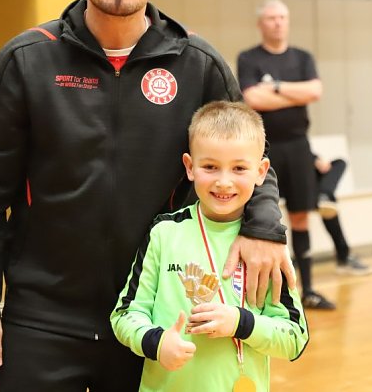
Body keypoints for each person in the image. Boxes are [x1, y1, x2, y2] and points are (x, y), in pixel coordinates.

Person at [0, 0, 294, 391]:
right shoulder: (25, 61)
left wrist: (265, 227)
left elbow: (250, 159)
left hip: (156, 319)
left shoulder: (199, 64)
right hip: (42, 318)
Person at [111, 101, 308, 391]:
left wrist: (242, 323)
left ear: (261, 171)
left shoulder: (264, 248)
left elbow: (294, 339)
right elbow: (125, 314)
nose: (224, 182)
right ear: (190, 167)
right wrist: (157, 342)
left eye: (239, 168)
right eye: (210, 167)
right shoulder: (164, 232)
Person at [237, 0, 336, 310]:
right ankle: (261, 294)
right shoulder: (249, 58)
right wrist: (295, 93)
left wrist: (276, 87)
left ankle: (307, 289)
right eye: (271, 18)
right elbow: (253, 97)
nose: (277, 22)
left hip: (298, 147)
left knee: (301, 216)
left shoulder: (302, 57)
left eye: (282, 17)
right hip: (263, 148)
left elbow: (316, 92)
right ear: (261, 24)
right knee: (261, 216)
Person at [313, 155, 372, 275]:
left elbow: (303, 147)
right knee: (327, 200)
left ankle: (324, 196)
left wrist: (316, 160)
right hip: (291, 172)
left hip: (306, 170)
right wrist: (313, 160)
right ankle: (343, 257)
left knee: (339, 163)